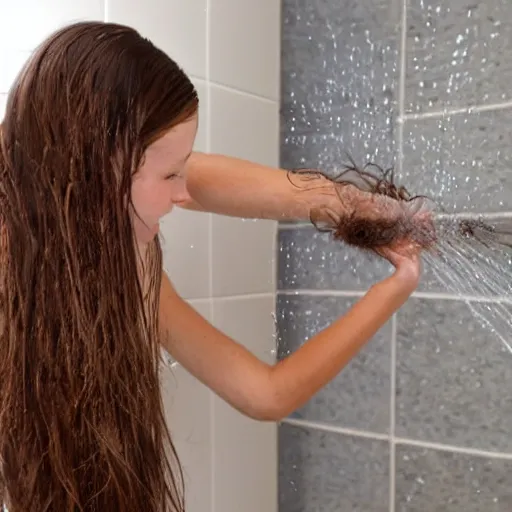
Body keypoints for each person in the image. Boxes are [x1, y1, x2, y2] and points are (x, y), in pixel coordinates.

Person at [0, 21, 428, 512]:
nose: (185, 193)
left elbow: (265, 395)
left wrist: (384, 272)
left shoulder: (122, 269)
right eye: (171, 174)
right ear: (97, 167)